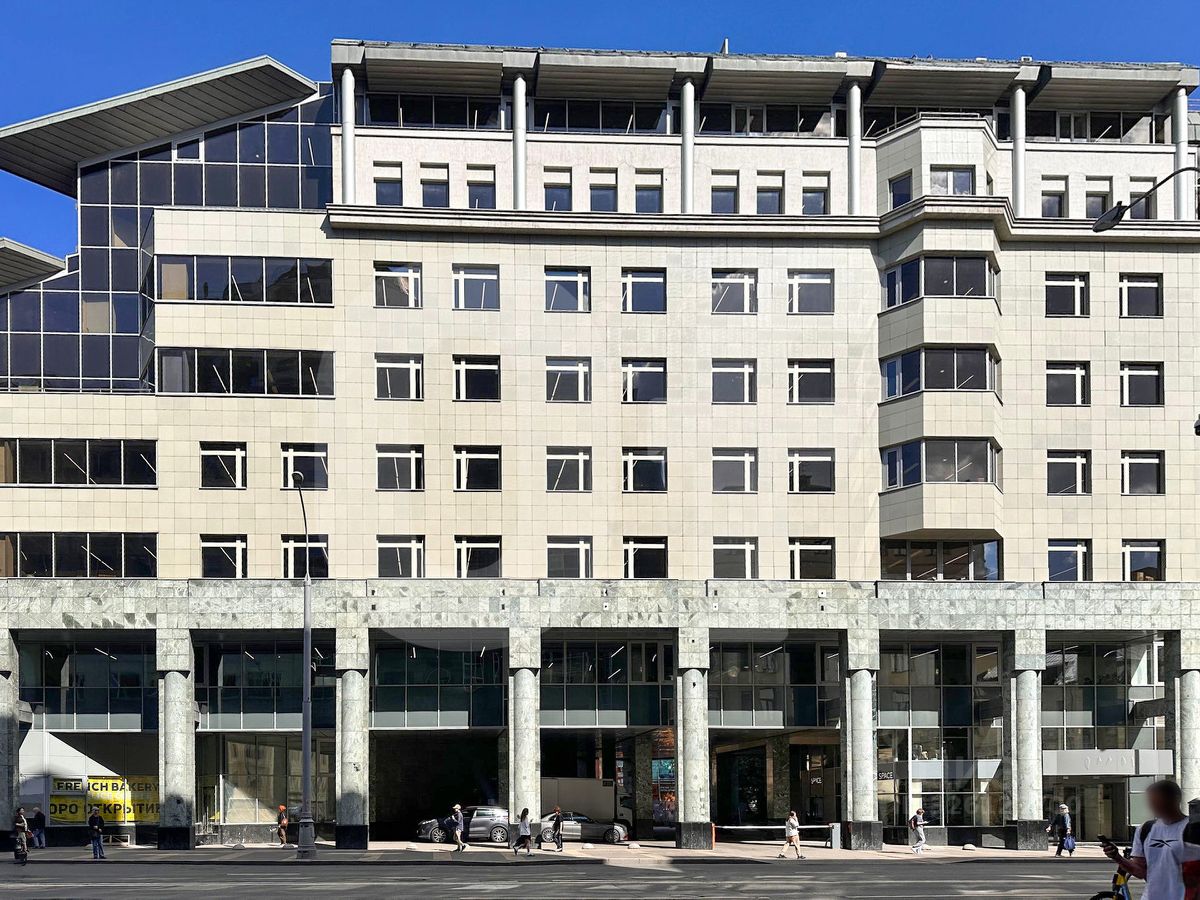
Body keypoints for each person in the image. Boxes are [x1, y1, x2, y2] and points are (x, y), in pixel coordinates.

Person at [1104, 779, 1200, 900]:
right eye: (1151, 801)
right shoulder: (1145, 829)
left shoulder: (1193, 829)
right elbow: (1141, 872)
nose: (1153, 805)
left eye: (1158, 800)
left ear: (1175, 799)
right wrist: (1117, 857)